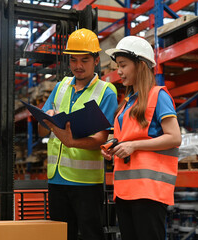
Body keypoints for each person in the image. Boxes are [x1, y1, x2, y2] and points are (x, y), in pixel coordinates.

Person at [38, 28, 118, 240]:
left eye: (84, 60)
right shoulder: (61, 86)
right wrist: (48, 117)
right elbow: (41, 127)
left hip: (86, 182)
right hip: (56, 178)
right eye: (73, 60)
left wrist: (71, 141)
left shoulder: (106, 92)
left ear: (96, 61)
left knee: (92, 235)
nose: (78, 66)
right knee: (60, 236)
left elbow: (102, 139)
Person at [102, 36, 181, 240]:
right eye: (117, 66)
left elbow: (174, 137)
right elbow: (128, 137)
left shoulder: (158, 96)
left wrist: (134, 146)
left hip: (149, 191)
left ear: (141, 65)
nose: (118, 71)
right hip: (125, 191)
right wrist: (114, 145)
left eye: (123, 65)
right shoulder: (128, 103)